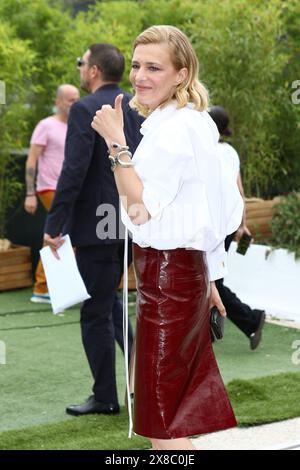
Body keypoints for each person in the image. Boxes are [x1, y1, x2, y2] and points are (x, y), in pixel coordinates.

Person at [91, 26, 244, 450]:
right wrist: (209, 277)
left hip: (169, 278)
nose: (140, 75)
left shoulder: (177, 130)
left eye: (154, 67)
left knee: (163, 423)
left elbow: (141, 209)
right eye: (137, 65)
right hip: (179, 276)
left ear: (181, 74)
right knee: (171, 414)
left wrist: (116, 143)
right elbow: (210, 207)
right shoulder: (187, 122)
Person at [43, 44, 143, 417]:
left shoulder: (85, 109)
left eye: (81, 63)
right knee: (107, 301)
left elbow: (74, 171)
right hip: (132, 220)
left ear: (95, 70)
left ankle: (105, 397)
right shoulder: (136, 106)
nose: (80, 69)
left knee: (95, 312)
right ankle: (137, 376)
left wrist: (54, 226)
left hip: (98, 227)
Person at [208, 106, 266, 350]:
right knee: (211, 279)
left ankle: (251, 319)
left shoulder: (210, 151)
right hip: (228, 224)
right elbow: (240, 191)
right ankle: (216, 329)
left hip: (214, 226)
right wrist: (242, 224)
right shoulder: (230, 151)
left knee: (212, 280)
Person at [24, 84, 80, 303]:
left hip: (70, 189)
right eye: (69, 100)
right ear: (58, 102)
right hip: (49, 188)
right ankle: (41, 286)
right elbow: (31, 159)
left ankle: (47, 286)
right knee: (59, 233)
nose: (74, 103)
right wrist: (30, 194)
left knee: (60, 234)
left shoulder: (78, 124)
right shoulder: (45, 125)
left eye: (77, 99)